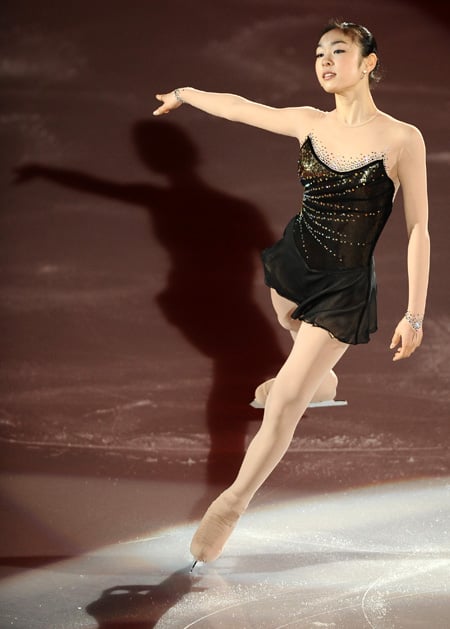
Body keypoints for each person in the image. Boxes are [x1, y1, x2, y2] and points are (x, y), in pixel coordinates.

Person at [153, 19, 430, 565]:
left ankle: (231, 505)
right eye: (319, 52)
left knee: (282, 401)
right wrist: (185, 93)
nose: (325, 61)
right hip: (294, 265)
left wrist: (414, 314)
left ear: (369, 62)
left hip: (344, 289)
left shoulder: (402, 139)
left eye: (339, 51)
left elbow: (418, 228)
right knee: (293, 339)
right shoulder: (309, 122)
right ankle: (319, 377)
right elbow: (241, 108)